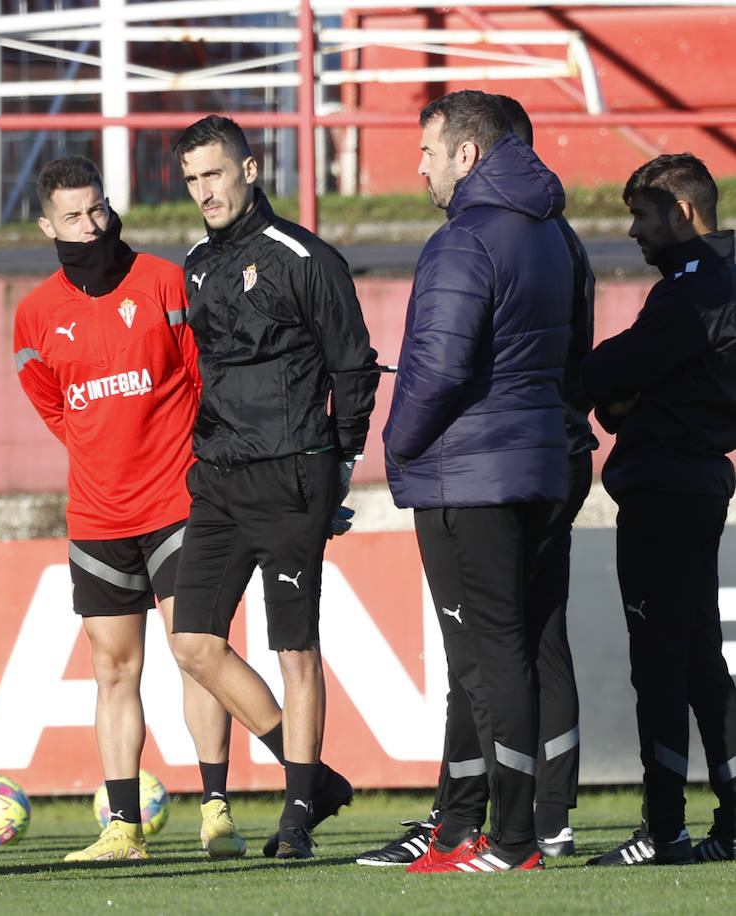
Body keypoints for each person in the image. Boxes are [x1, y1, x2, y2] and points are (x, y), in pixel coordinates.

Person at [356, 93, 594, 867]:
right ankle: (490, 825)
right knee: (520, 647)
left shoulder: (464, 239)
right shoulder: (556, 234)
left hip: (470, 473)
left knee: (487, 656)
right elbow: (574, 358)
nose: (417, 165)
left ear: (467, 155)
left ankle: (513, 834)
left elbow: (438, 367)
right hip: (541, 463)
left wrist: (397, 445)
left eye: (428, 150)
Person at [13, 155, 245, 862]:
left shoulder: (164, 282)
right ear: (48, 225)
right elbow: (57, 409)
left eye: (100, 209)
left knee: (197, 656)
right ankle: (123, 829)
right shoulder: (34, 315)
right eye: (76, 216)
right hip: (97, 519)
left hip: (180, 505)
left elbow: (200, 377)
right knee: (113, 671)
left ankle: (217, 812)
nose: (94, 224)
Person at [167, 115, 377, 860]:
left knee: (294, 648)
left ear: (250, 170)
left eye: (215, 174)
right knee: (192, 643)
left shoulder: (306, 257)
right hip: (218, 480)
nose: (204, 191)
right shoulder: (195, 263)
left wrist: (340, 463)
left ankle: (296, 815)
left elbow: (353, 365)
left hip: (293, 473)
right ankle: (313, 776)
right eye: (192, 180)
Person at [580, 153, 736, 866]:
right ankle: (729, 823)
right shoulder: (704, 284)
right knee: (702, 661)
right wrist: (626, 394)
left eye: (642, 215)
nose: (634, 231)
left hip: (667, 493)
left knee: (662, 664)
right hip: (697, 485)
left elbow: (608, 373)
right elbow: (625, 385)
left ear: (683, 211)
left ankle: (664, 828)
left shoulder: (692, 291)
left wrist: (621, 394)